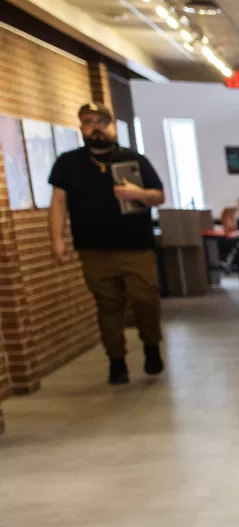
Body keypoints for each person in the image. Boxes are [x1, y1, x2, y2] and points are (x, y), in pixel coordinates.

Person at [47, 102, 166, 384]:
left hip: (136, 246)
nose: (96, 127)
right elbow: (58, 201)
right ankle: (116, 361)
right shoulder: (68, 163)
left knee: (145, 299)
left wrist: (139, 193)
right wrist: (56, 240)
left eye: (101, 121)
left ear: (111, 125)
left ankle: (151, 345)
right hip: (93, 248)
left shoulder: (134, 159)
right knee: (108, 305)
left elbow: (159, 196)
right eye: (89, 121)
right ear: (81, 127)